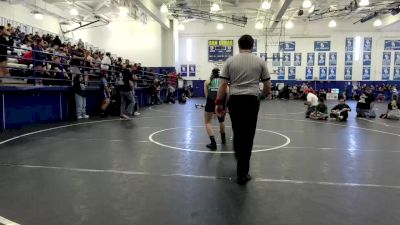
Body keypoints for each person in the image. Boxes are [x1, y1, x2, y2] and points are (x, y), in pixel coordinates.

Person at [216, 34, 271, 184]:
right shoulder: (260, 62)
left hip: (235, 100)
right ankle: (243, 171)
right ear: (252, 45)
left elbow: (222, 85)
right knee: (249, 135)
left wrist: (218, 103)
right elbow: (267, 86)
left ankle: (238, 152)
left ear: (238, 46)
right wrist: (261, 96)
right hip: (252, 100)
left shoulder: (230, 61)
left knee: (238, 130)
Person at [204, 68, 227, 150]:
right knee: (221, 121)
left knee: (207, 122)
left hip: (211, 101)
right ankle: (223, 140)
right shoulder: (223, 82)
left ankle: (213, 143)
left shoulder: (207, 82)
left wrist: (211, 106)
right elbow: (227, 93)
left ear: (212, 73)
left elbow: (207, 96)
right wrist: (226, 106)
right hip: (221, 102)